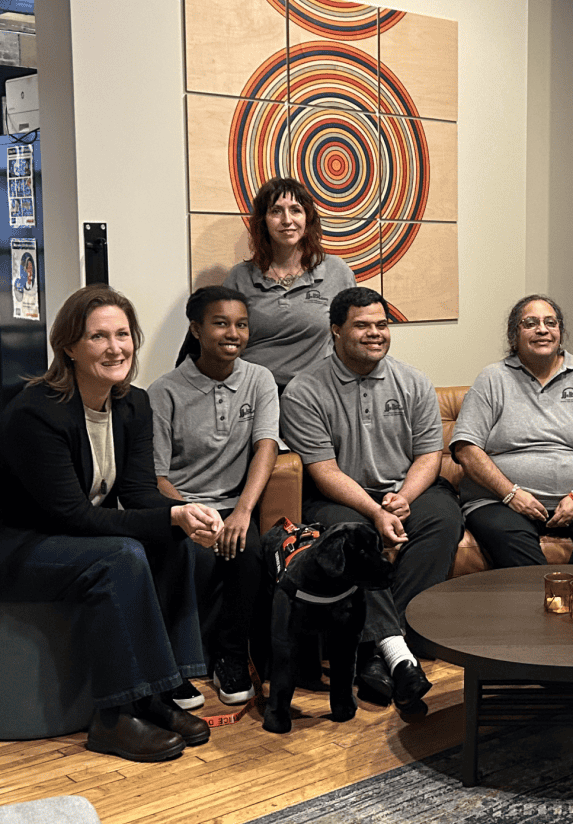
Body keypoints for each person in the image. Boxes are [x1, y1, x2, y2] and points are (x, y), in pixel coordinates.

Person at [0, 285, 223, 762]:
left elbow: (140, 494)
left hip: (65, 537)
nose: (115, 347)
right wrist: (169, 519)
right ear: (70, 347)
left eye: (123, 334)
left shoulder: (133, 404)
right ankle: (114, 718)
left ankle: (161, 695)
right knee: (122, 556)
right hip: (19, 546)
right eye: (98, 336)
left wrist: (182, 513)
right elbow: (71, 516)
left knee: (174, 540)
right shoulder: (35, 411)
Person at [280, 286, 462, 717]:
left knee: (443, 519)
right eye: (362, 325)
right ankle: (398, 654)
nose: (375, 333)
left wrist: (402, 498)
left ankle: (378, 651)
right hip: (339, 496)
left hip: (407, 490)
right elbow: (324, 471)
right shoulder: (305, 391)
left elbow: (427, 456)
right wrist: (376, 511)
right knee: (354, 538)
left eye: (382, 325)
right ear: (335, 331)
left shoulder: (413, 381)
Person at [148, 286, 280, 707]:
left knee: (251, 551)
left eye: (241, 324)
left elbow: (266, 447)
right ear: (197, 329)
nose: (233, 333)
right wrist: (188, 513)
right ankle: (177, 667)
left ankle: (232, 657)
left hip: (233, 503)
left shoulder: (259, 380)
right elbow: (157, 476)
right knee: (191, 557)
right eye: (221, 323)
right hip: (181, 505)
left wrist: (243, 511)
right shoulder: (164, 391)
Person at [451, 295, 573, 569]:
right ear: (514, 335)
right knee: (508, 535)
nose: (542, 330)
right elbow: (466, 448)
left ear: (560, 331)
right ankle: (545, 603)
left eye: (550, 322)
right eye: (530, 323)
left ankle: (571, 600)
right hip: (500, 501)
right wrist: (511, 494)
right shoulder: (492, 378)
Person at [222, 176, 357, 391]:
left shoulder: (336, 271)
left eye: (296, 210)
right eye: (276, 211)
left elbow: (352, 335)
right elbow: (225, 343)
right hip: (253, 393)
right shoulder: (239, 277)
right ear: (263, 221)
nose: (287, 220)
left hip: (316, 392)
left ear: (308, 218)